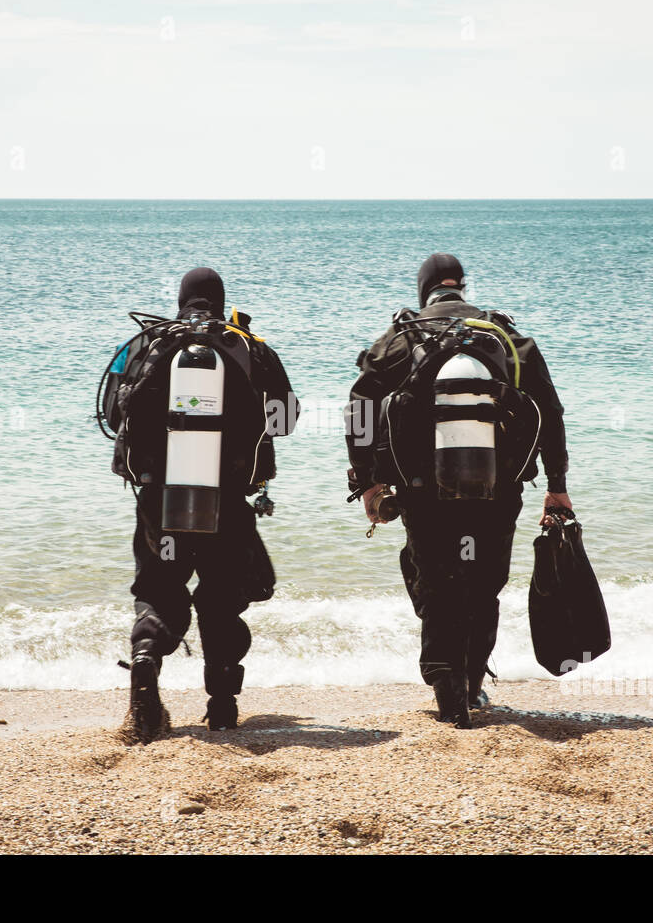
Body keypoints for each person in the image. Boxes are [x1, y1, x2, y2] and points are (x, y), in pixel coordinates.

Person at [345, 253, 571, 727]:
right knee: (485, 584)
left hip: (423, 492)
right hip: (498, 488)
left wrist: (365, 480)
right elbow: (549, 413)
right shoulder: (505, 338)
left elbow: (360, 408)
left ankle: (445, 684)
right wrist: (557, 486)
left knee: (436, 580)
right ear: (461, 287)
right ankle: (471, 683)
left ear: (423, 289)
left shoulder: (400, 340)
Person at [108, 267, 299, 744]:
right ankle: (221, 707)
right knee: (221, 598)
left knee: (159, 585)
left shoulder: (144, 345)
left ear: (180, 301)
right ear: (221, 301)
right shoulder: (249, 346)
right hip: (228, 500)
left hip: (159, 498)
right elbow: (287, 419)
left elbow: (112, 413)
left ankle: (147, 656)